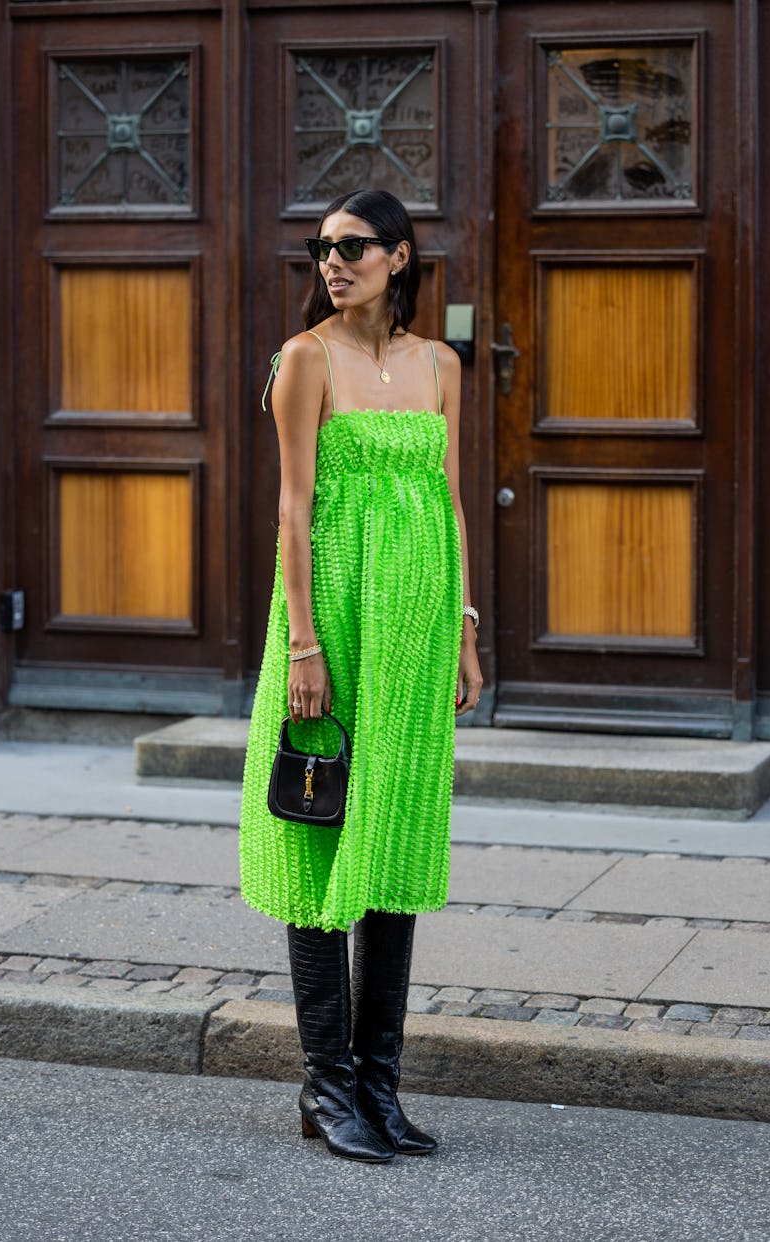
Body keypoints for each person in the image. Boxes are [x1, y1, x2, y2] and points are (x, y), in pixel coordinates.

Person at [239, 188, 483, 1163]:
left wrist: (464, 627)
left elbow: (452, 499)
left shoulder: (441, 365)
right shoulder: (304, 360)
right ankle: (328, 1088)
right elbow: (295, 508)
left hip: (415, 630)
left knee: (392, 836)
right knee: (321, 834)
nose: (331, 262)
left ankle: (379, 1089)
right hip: (332, 618)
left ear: (401, 255)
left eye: (352, 246)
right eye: (321, 248)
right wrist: (303, 644)